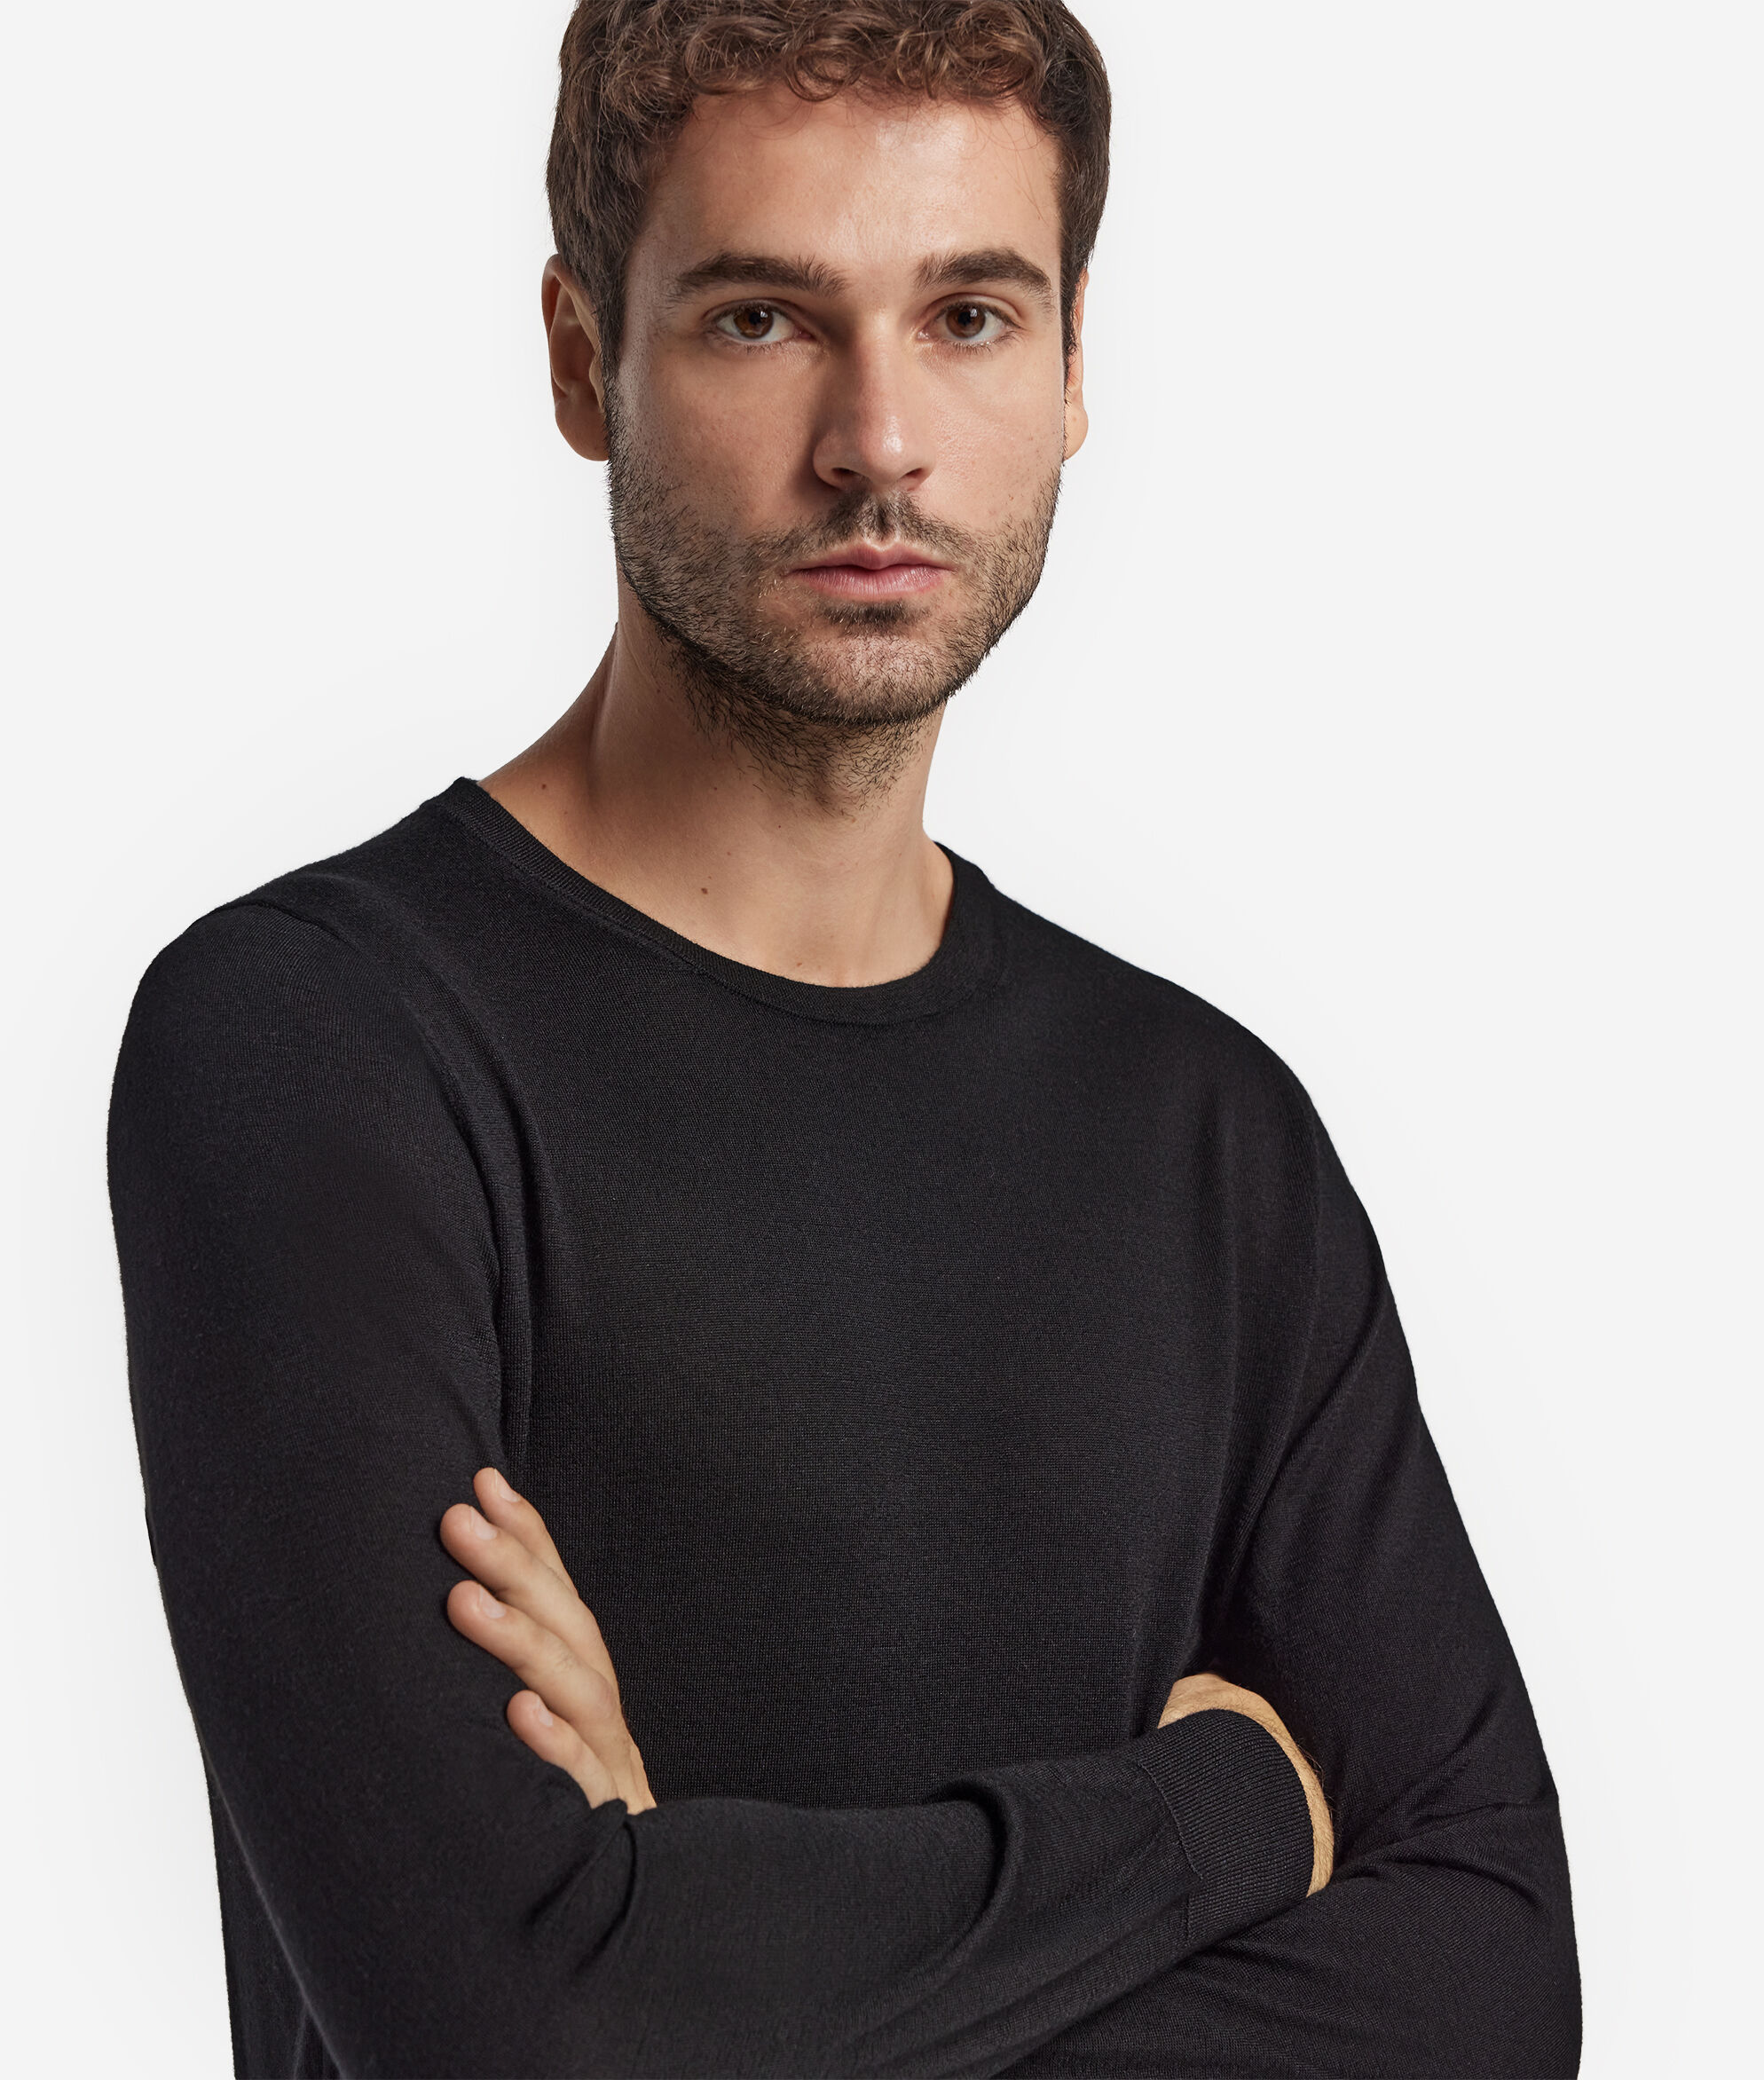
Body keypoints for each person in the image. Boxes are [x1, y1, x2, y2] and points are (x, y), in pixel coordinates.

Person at [107, 3, 1581, 2074]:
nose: (877, 439)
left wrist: (691, 1946)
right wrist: (1227, 1809)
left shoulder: (1202, 1131)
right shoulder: (317, 1045)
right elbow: (511, 2031)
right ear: (581, 362)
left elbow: (1496, 1988)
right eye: (760, 320)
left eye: (968, 316)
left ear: (1071, 365)